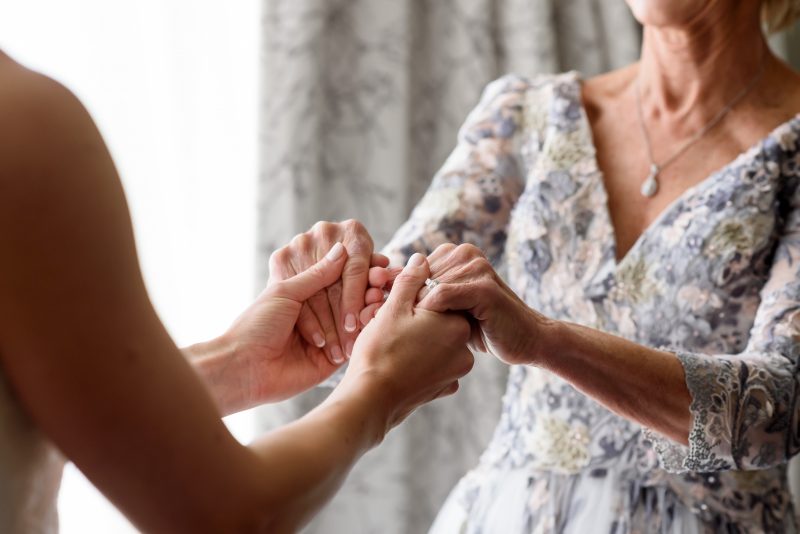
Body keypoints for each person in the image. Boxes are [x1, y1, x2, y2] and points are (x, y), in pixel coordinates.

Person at [352, 0, 800, 531]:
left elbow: (776, 408)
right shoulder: (530, 114)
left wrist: (543, 340)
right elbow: (383, 306)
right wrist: (338, 277)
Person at [0, 51, 475, 533]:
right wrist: (381, 387)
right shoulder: (21, 122)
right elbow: (223, 517)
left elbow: (59, 407)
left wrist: (237, 361)